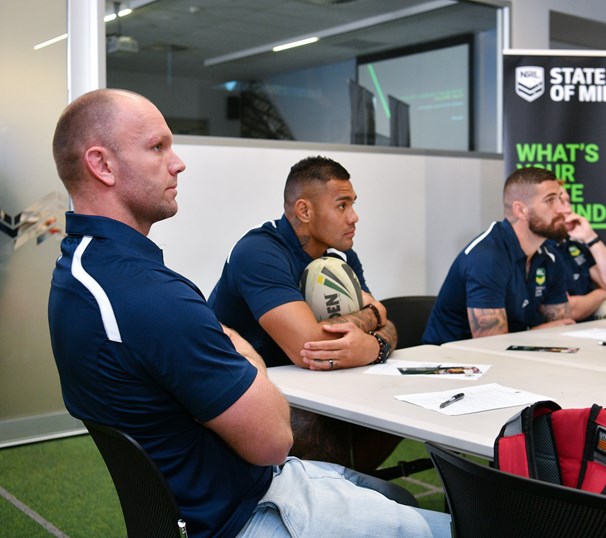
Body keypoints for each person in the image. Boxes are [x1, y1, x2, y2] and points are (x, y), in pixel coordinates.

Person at [47, 88, 449, 538]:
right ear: (102, 165)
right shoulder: (150, 294)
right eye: (157, 147)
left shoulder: (81, 272)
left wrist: (369, 334)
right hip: (245, 511)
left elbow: (377, 314)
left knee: (401, 498)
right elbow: (275, 440)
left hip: (222, 488)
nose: (178, 163)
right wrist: (248, 356)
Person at [208, 155, 400, 472]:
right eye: (342, 205)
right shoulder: (259, 251)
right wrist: (373, 334)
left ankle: (351, 485)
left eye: (353, 204)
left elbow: (383, 319)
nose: (354, 217)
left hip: (310, 385)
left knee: (393, 400)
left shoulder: (341, 255)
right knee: (313, 425)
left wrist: (374, 344)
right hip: (241, 394)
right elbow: (309, 348)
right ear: (304, 211)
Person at [422, 166, 574, 345]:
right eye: (550, 200)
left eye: (561, 199)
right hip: (450, 363)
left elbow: (561, 327)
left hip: (513, 359)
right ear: (521, 210)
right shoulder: (486, 257)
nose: (564, 209)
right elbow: (492, 346)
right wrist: (540, 333)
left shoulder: (550, 256)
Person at [556, 185, 606, 321]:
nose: (569, 209)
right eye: (561, 202)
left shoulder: (574, 245)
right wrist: (600, 294)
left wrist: (590, 238)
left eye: (569, 202)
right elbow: (565, 310)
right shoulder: (539, 250)